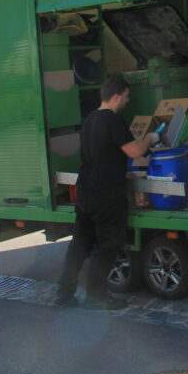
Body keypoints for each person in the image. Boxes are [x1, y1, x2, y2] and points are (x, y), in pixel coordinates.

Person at [56, 76, 158, 309]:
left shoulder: (89, 119)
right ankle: (96, 297)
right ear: (116, 96)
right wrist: (151, 138)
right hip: (107, 194)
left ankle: (64, 293)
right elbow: (134, 152)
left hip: (85, 191)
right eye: (126, 96)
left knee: (79, 244)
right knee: (106, 246)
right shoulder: (113, 120)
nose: (127, 100)